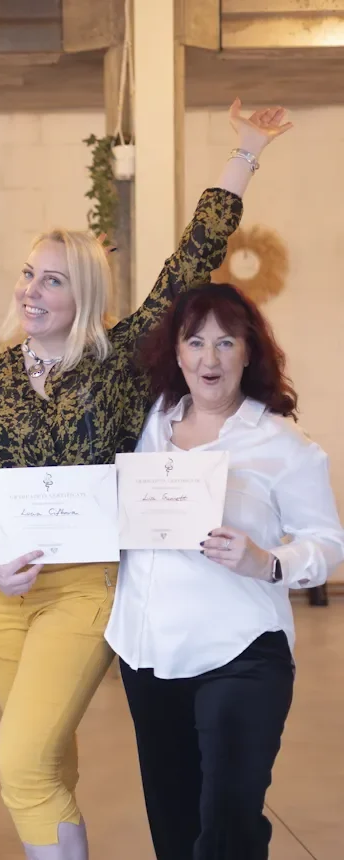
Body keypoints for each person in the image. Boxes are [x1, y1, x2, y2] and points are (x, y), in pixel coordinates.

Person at [0, 100, 291, 860]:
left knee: (21, 759)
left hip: (83, 588)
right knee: (50, 765)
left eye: (54, 281)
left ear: (85, 297)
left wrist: (245, 153)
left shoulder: (120, 361)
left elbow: (191, 259)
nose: (32, 290)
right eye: (29, 273)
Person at [106, 283, 344, 860]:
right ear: (177, 352)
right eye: (196, 342)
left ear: (248, 352)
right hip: (148, 653)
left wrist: (268, 562)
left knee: (228, 823)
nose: (209, 359)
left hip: (241, 653)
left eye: (225, 342)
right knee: (174, 822)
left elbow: (328, 544)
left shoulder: (282, 445)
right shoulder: (150, 424)